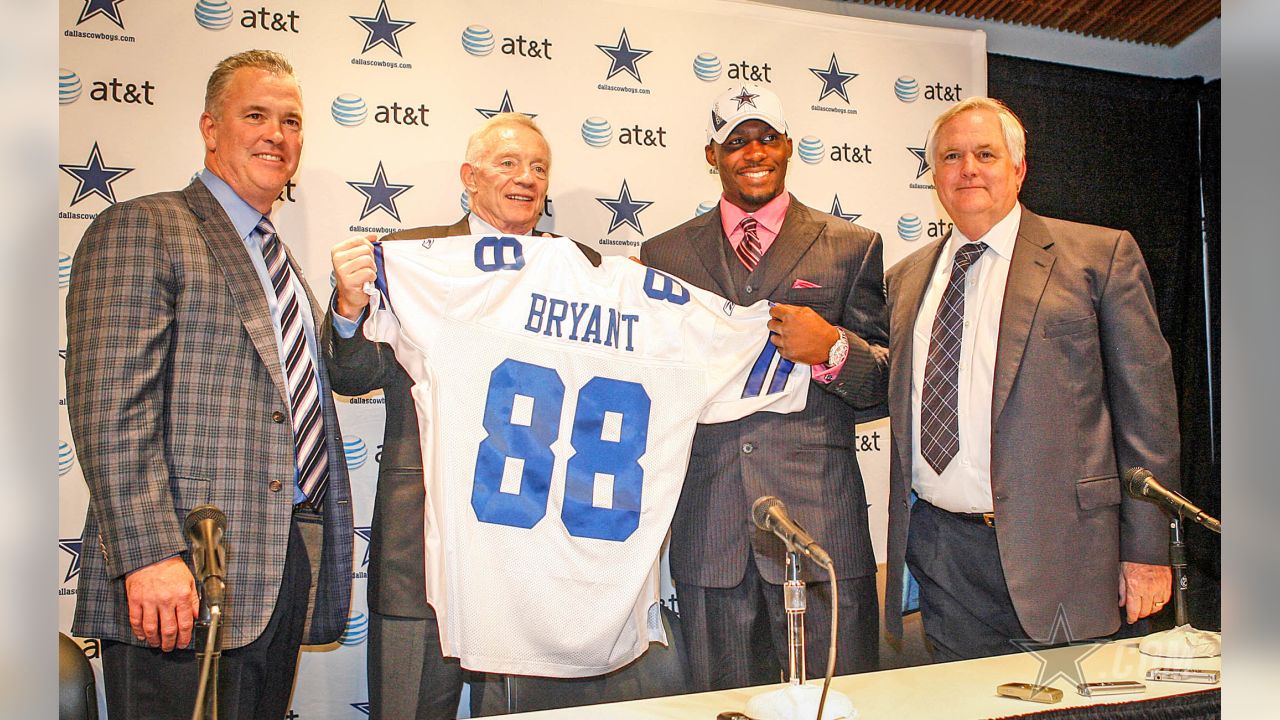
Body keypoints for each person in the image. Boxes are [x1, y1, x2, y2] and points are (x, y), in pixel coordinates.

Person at [325, 113, 685, 717]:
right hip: (422, 554)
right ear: (469, 176)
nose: (526, 179)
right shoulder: (414, 258)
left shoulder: (584, 270)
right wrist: (347, 307)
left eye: (539, 168)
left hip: (536, 563)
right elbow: (353, 375)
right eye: (508, 163)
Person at [65, 50, 353, 718]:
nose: (277, 135)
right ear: (210, 127)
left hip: (281, 563)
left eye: (291, 121)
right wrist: (150, 556)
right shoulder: (146, 227)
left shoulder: (278, 259)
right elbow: (110, 409)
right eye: (256, 115)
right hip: (187, 571)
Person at [882, 96, 1178, 661]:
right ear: (934, 177)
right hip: (945, 558)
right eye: (950, 157)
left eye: (985, 153)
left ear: (1018, 169)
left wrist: (1147, 550)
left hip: (1065, 552)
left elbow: (1149, 416)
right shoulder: (906, 278)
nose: (967, 168)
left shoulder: (1099, 256)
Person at [640, 84, 888, 691]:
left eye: (766, 138)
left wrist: (832, 350)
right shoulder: (663, 254)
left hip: (820, 520)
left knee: (844, 702)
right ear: (711, 154)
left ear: (788, 146)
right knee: (723, 705)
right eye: (736, 141)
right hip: (709, 523)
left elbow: (883, 382)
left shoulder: (851, 246)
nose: (754, 152)